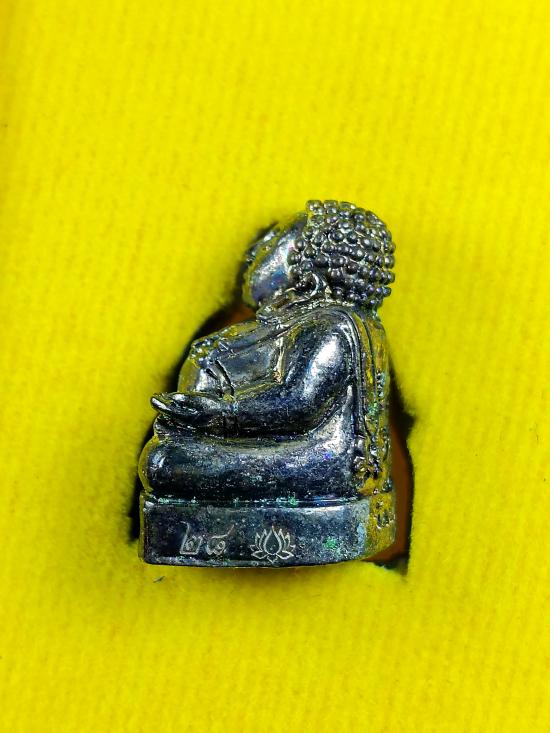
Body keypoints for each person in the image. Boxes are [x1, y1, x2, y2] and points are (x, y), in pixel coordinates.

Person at [140, 200, 395, 519]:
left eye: (270, 244)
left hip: (322, 462)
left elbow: (298, 402)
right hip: (289, 450)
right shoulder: (296, 324)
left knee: (163, 462)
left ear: (306, 266)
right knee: (169, 454)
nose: (252, 254)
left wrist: (221, 412)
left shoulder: (330, 325)